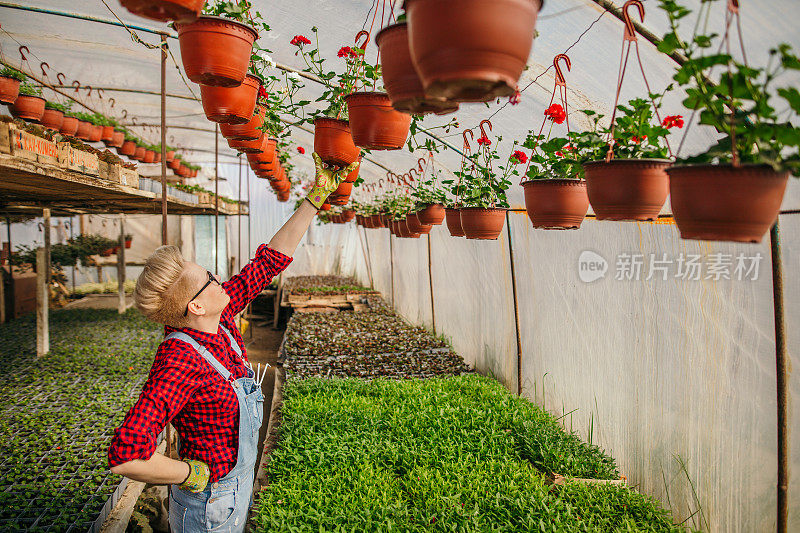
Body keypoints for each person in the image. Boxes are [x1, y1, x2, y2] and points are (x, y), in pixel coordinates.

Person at [108, 154, 358, 532]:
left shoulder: (219, 317)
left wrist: (315, 198)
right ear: (196, 305)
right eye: (210, 278)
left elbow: (269, 261)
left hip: (236, 485)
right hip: (208, 502)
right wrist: (188, 474)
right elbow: (126, 456)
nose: (218, 278)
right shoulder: (178, 362)